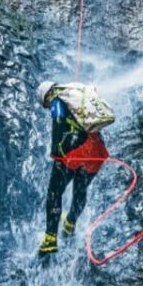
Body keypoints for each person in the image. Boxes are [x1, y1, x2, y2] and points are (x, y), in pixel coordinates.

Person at [36, 80, 114, 256]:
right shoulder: (76, 93)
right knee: (81, 188)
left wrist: (56, 151)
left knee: (54, 193)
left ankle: (50, 240)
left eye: (46, 105)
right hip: (96, 150)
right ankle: (70, 223)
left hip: (75, 151)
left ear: (47, 97)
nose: (48, 107)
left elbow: (58, 118)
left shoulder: (56, 99)